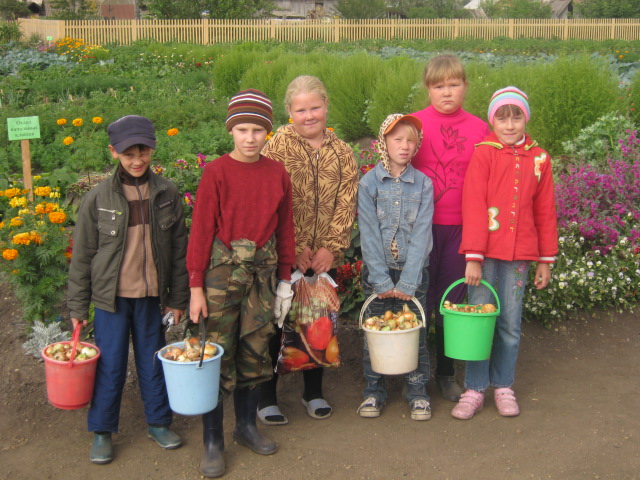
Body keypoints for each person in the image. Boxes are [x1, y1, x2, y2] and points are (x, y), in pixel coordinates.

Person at [67, 115, 189, 465]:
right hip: (112, 301)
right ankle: (102, 430)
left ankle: (159, 422)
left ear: (152, 149)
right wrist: (78, 307)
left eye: (144, 152)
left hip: (151, 299)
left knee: (154, 362)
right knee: (111, 364)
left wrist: (177, 299)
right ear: (113, 153)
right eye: (128, 154)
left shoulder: (166, 193)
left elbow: (179, 251)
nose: (137, 161)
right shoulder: (98, 199)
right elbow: (83, 257)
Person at [187, 89, 296, 478]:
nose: (250, 138)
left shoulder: (276, 173)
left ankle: (247, 427)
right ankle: (213, 439)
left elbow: (286, 231)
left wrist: (285, 282)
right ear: (231, 130)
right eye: (243, 129)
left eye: (258, 130)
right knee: (217, 353)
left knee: (256, 350)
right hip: (220, 279)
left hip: (262, 279)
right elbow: (200, 232)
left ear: (268, 133)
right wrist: (196, 288)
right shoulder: (216, 172)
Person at [452, 86, 558, 420]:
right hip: (484, 256)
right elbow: (473, 204)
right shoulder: (484, 153)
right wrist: (473, 256)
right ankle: (473, 388)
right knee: (480, 320)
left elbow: (545, 210)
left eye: (516, 117)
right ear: (492, 120)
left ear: (525, 119)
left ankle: (503, 385)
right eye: (502, 117)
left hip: (520, 256)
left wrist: (545, 259)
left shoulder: (540, 159)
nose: (510, 125)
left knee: (510, 323)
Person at [259, 75, 358, 424]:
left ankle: (313, 392)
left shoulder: (342, 152)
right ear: (289, 112)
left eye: (315, 107)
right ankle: (266, 396)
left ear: (326, 106)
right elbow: (272, 201)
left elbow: (347, 204)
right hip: (285, 254)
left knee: (317, 322)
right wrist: (294, 248)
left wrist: (331, 248)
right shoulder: (277, 148)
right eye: (301, 110)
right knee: (277, 321)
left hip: (322, 259)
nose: (309, 115)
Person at [411, 54, 491, 402]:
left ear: (465, 86)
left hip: (461, 228)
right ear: (428, 88)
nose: (447, 92)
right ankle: (415, 373)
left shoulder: (479, 129)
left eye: (454, 85)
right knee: (420, 297)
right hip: (421, 227)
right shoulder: (413, 124)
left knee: (450, 300)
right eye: (439, 86)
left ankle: (445, 372)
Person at [356, 113, 434, 420]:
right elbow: (369, 234)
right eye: (397, 139)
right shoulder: (369, 184)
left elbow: (422, 235)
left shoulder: (424, 185)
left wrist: (408, 282)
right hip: (379, 273)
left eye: (410, 140)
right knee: (375, 332)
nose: (404, 146)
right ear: (383, 143)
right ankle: (374, 392)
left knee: (415, 332)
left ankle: (417, 392)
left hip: (413, 274)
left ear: (417, 146)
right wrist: (380, 279)